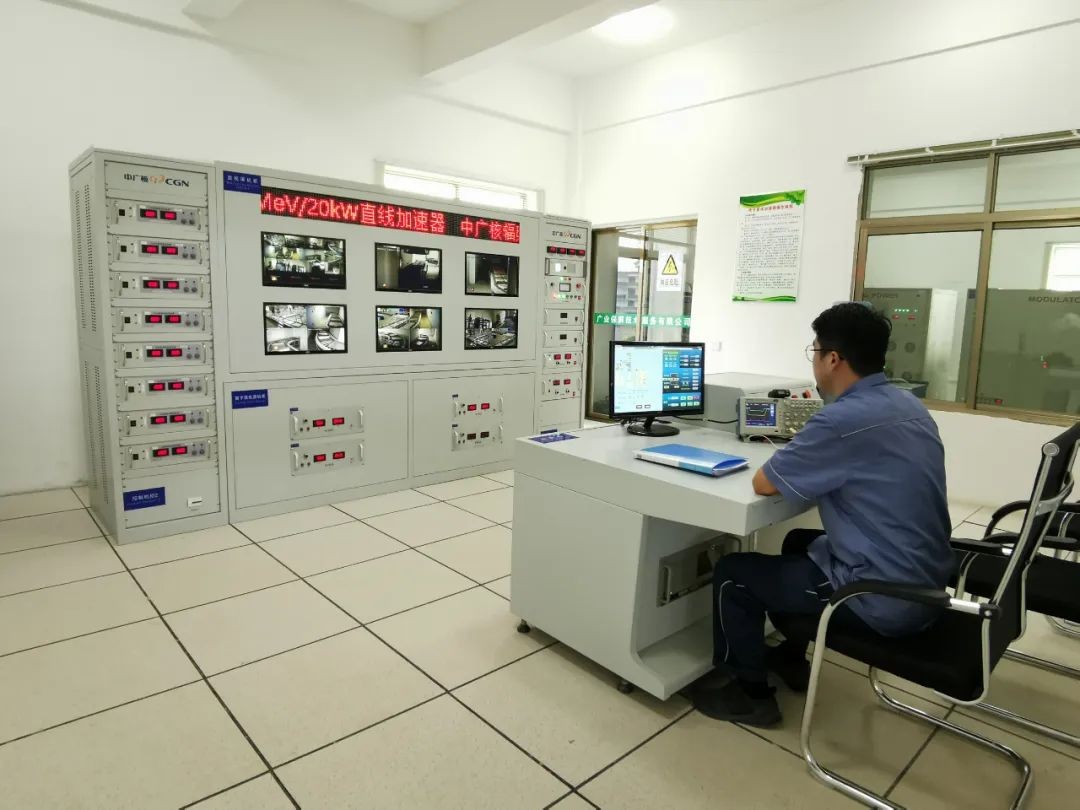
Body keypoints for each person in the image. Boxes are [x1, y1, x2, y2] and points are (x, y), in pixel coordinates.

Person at [692, 302, 953, 727]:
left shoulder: (840, 420)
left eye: (814, 351)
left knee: (734, 574)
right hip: (926, 579)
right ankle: (791, 656)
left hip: (882, 597)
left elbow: (764, 483)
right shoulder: (907, 404)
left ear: (833, 359)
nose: (813, 360)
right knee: (798, 541)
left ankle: (749, 694)